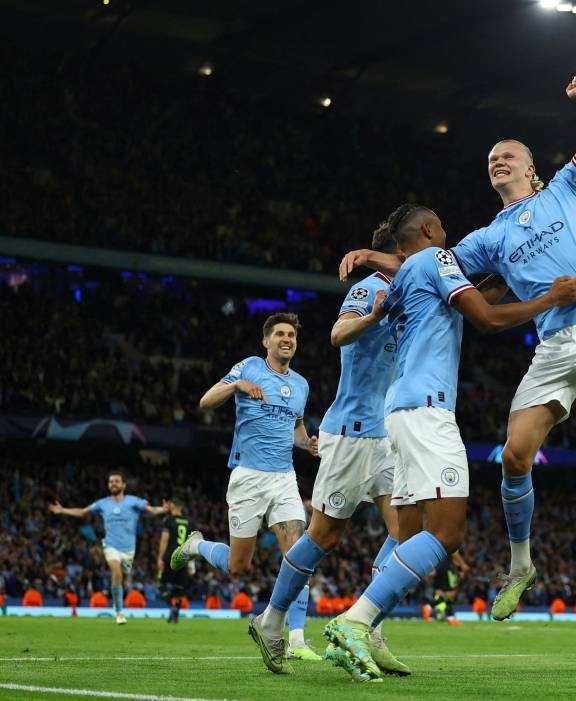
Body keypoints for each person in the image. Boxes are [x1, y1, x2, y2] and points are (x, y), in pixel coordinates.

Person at [338, 75, 576, 621]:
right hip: (553, 342)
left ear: (530, 168)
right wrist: (376, 256)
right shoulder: (486, 240)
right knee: (514, 456)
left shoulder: (566, 190)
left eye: (508, 156)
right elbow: (434, 265)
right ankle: (521, 564)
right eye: (492, 158)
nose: (497, 161)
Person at [322, 203, 576, 683]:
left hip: (399, 414)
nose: (450, 235)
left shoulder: (407, 276)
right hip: (428, 410)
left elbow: (471, 297)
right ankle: (354, 621)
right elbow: (486, 318)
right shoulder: (436, 258)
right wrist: (550, 297)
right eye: (443, 227)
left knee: (406, 537)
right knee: (446, 535)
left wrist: (508, 269)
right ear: (429, 231)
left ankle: (366, 630)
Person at [247, 226, 411, 676]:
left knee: (409, 534)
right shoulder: (370, 287)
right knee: (325, 536)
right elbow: (338, 334)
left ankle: (366, 627)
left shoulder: (414, 289)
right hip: (352, 431)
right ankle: (272, 621)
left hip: (389, 434)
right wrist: (376, 315)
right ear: (401, 249)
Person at [169, 313, 320, 660]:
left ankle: (295, 638)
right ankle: (197, 546)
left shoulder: (301, 384)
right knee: (239, 566)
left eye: (292, 335)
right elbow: (206, 401)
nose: (287, 339)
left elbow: (296, 429)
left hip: (284, 478)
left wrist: (307, 443)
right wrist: (236, 385)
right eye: (279, 334)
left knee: (299, 554)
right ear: (265, 341)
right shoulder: (249, 366)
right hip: (248, 476)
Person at [48, 470, 168, 624]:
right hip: (111, 546)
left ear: (123, 485)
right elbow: (83, 512)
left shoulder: (134, 501)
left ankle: (117, 601)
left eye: (117, 481)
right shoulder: (102, 503)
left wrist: (163, 509)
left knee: (122, 581)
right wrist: (63, 510)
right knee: (116, 572)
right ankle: (119, 612)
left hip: (129, 549)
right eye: (111, 482)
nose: (113, 484)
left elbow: (151, 509)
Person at [157, 497, 194, 624]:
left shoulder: (169, 520)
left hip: (170, 557)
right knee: (180, 588)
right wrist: (191, 563)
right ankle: (175, 612)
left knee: (161, 586)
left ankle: (171, 606)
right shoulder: (189, 522)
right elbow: (192, 544)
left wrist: (160, 558)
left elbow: (164, 540)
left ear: (172, 505)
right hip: (184, 558)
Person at [431, 550, 470, 625]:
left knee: (440, 592)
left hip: (438, 566)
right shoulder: (454, 541)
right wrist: (462, 564)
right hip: (447, 568)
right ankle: (430, 607)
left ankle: (444, 615)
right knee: (450, 595)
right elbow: (454, 552)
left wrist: (459, 570)